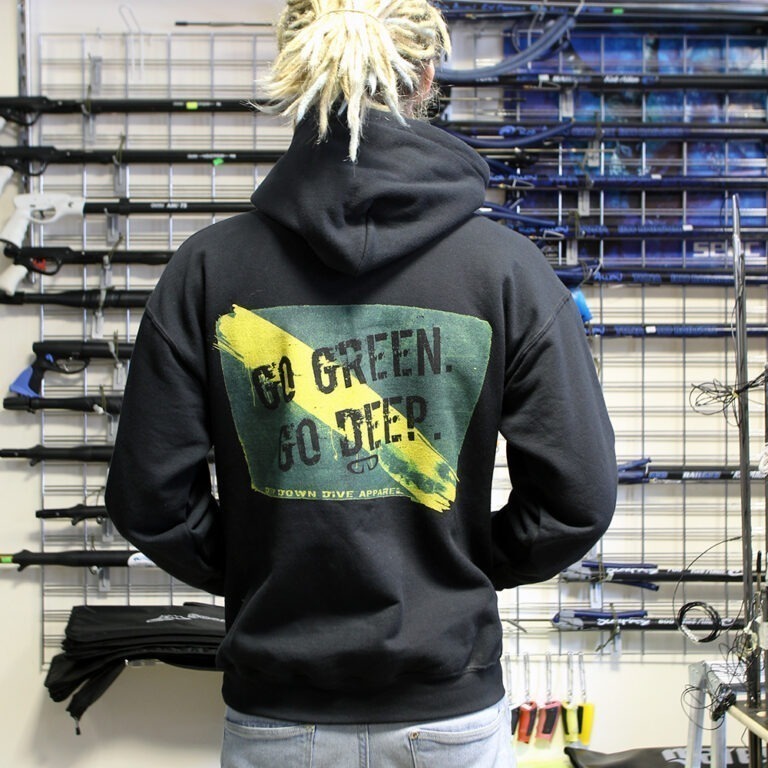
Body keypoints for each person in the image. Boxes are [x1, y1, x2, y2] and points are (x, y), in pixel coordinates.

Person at [104, 0, 617, 765]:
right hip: (447, 714)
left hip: (278, 714)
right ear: (428, 76)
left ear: (294, 71)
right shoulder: (507, 271)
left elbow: (149, 499)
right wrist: (460, 566)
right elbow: (579, 499)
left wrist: (260, 572)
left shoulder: (207, 271)